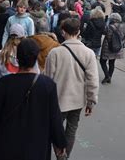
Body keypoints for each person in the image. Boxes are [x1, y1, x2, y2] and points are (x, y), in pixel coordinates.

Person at [0, 38, 67, 160]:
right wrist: (60, 143)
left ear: (18, 58)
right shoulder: (48, 85)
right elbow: (55, 118)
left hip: (4, 145)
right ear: (36, 57)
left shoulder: (4, 84)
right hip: (35, 147)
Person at [44, 18, 99, 160]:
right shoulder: (88, 53)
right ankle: (64, 156)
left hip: (58, 100)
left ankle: (59, 153)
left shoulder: (55, 53)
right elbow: (93, 80)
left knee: (54, 129)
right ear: (79, 32)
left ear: (63, 32)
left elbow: (48, 80)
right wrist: (91, 101)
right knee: (71, 130)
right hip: (77, 100)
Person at [100, 13, 125, 84]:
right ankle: (109, 77)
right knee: (112, 62)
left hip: (108, 47)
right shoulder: (124, 26)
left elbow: (105, 34)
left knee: (102, 61)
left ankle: (107, 76)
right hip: (117, 47)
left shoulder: (109, 27)